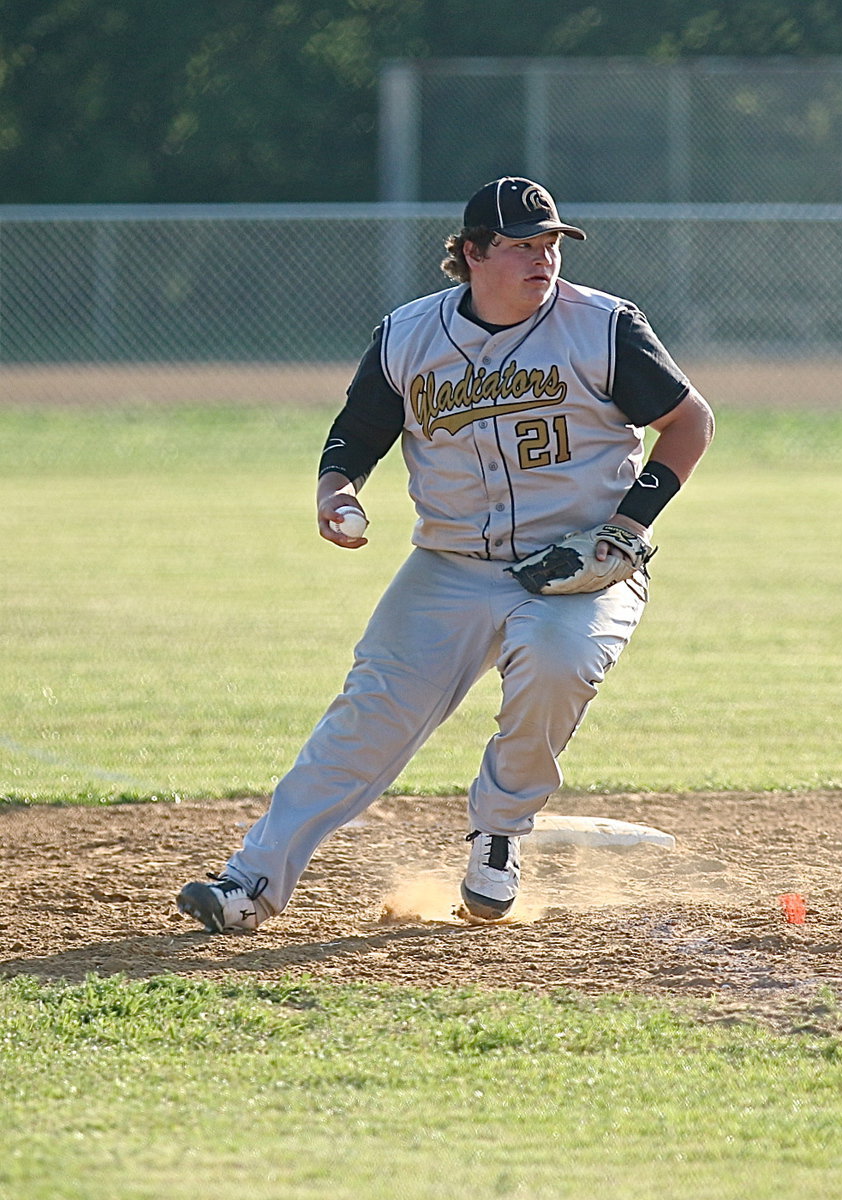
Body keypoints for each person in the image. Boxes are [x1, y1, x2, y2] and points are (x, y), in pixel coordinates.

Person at [176, 177, 714, 932]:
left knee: (554, 665)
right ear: (470, 253)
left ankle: (498, 832)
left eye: (551, 242)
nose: (543, 258)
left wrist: (626, 528)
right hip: (450, 565)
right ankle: (249, 883)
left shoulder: (601, 326)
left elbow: (689, 423)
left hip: (580, 566)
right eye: (522, 244)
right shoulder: (407, 335)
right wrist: (338, 493)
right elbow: (355, 436)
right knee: (364, 720)